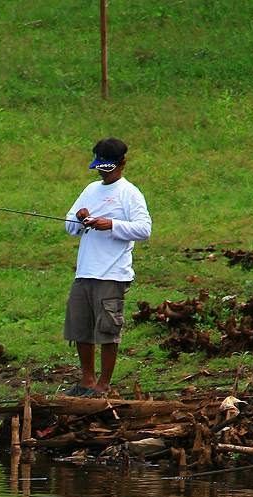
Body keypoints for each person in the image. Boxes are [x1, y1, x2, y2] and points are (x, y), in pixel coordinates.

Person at [64, 138, 152, 397]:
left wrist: (111, 225)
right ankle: (87, 379)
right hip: (85, 271)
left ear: (122, 164)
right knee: (80, 328)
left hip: (111, 273)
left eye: (109, 167)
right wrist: (81, 219)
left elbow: (144, 230)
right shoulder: (90, 189)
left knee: (107, 330)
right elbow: (69, 225)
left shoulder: (130, 193)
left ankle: (104, 384)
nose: (104, 172)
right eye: (100, 167)